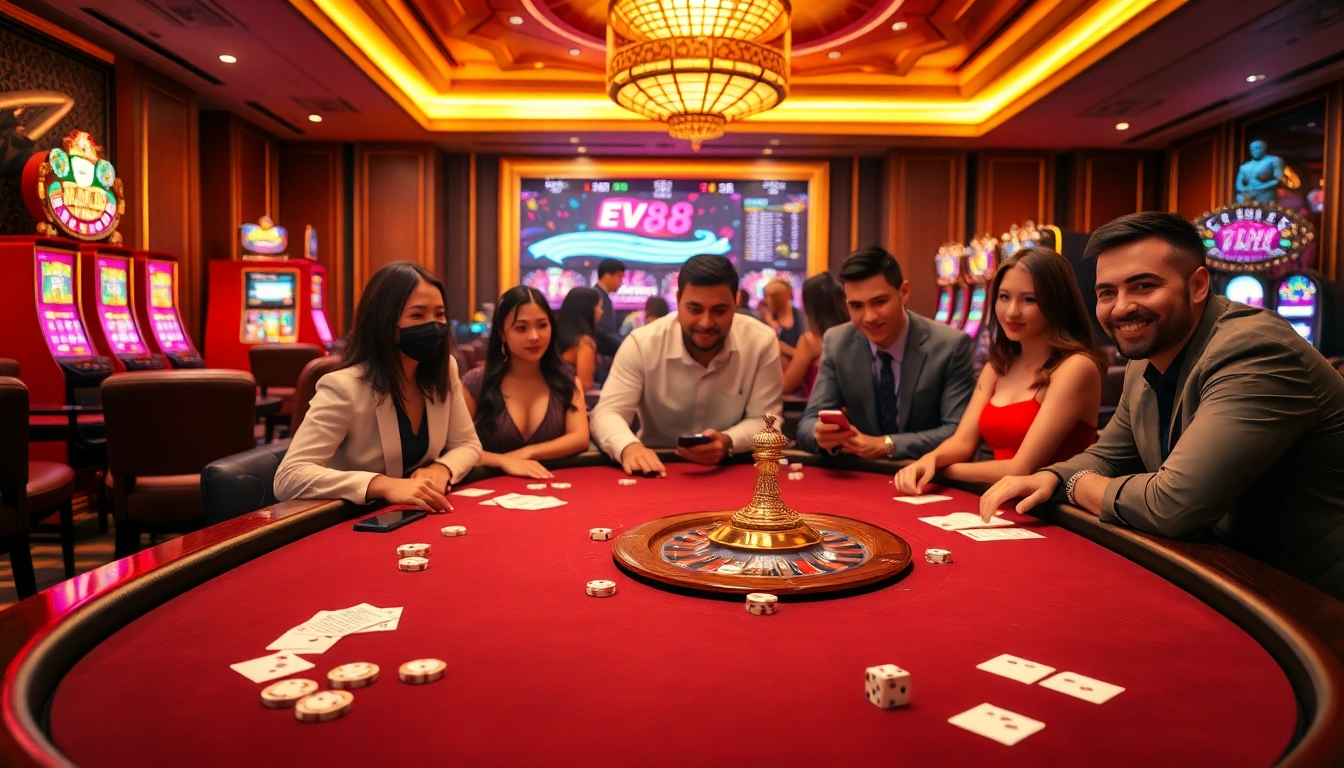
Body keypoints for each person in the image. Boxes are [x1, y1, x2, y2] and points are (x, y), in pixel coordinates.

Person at [979, 212, 1344, 601]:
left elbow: (1173, 506)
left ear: (1198, 285)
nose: (1121, 308)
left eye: (1143, 286)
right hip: (1227, 576)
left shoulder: (1255, 352)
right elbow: (1109, 454)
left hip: (1312, 600)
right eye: (1107, 292)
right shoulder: (1146, 357)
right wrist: (1052, 476)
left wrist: (1074, 485)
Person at [894, 247, 1104, 494]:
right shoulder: (998, 366)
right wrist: (932, 458)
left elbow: (1021, 468)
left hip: (1057, 511)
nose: (1012, 311)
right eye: (1004, 297)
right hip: (999, 497)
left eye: (1029, 299)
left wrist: (941, 470)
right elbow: (963, 441)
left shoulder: (1076, 367)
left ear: (1057, 303)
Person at [275, 262, 481, 511]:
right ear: (384, 322)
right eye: (417, 315)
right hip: (351, 518)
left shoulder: (444, 369)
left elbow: (467, 444)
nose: (434, 325)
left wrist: (442, 467)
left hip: (413, 514)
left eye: (439, 314)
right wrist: (381, 484)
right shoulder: (343, 387)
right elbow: (289, 476)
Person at [591, 254, 784, 476]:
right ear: (679, 299)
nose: (705, 322)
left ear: (736, 301)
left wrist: (729, 441)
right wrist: (628, 446)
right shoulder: (642, 343)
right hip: (654, 469)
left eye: (719, 311)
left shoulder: (761, 341)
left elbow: (768, 421)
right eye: (694, 309)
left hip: (731, 470)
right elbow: (607, 412)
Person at [797, 246, 975, 459]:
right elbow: (807, 424)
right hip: (865, 476)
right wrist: (821, 435)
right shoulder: (837, 342)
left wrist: (886, 445)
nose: (869, 317)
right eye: (856, 306)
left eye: (879, 302)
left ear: (904, 292)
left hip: (926, 476)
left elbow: (958, 432)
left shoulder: (951, 345)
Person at [462, 286, 590, 479]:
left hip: (549, 488)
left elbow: (580, 438)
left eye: (542, 325)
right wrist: (503, 461)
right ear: (502, 334)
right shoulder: (477, 383)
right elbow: (454, 447)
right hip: (488, 491)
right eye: (521, 328)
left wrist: (528, 453)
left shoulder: (566, 380)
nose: (534, 336)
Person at [781, 272, 846, 396]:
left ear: (809, 305)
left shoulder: (810, 340)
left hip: (819, 412)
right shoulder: (852, 334)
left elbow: (786, 385)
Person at [556, 287, 602, 389]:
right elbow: (585, 384)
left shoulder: (557, 335)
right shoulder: (584, 342)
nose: (601, 312)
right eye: (599, 306)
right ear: (589, 309)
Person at [759, 278, 806, 355]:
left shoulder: (802, 318)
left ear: (788, 295)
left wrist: (785, 348)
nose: (769, 300)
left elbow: (808, 353)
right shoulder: (763, 321)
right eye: (767, 296)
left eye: (774, 296)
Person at [592, 258, 624, 356]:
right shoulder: (596, 296)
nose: (621, 283)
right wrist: (623, 346)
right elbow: (603, 331)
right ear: (607, 275)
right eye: (619, 277)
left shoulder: (603, 296)